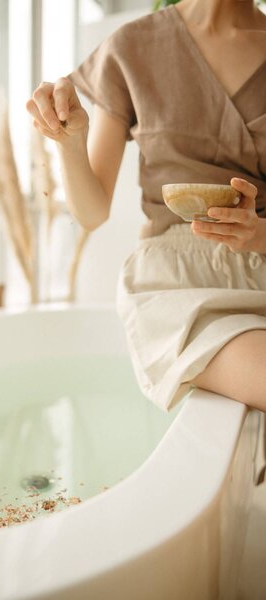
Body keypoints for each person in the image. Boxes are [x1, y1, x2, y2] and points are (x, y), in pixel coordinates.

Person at [26, 0, 266, 413]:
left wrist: (259, 233)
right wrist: (70, 141)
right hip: (179, 287)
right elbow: (91, 212)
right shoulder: (133, 46)